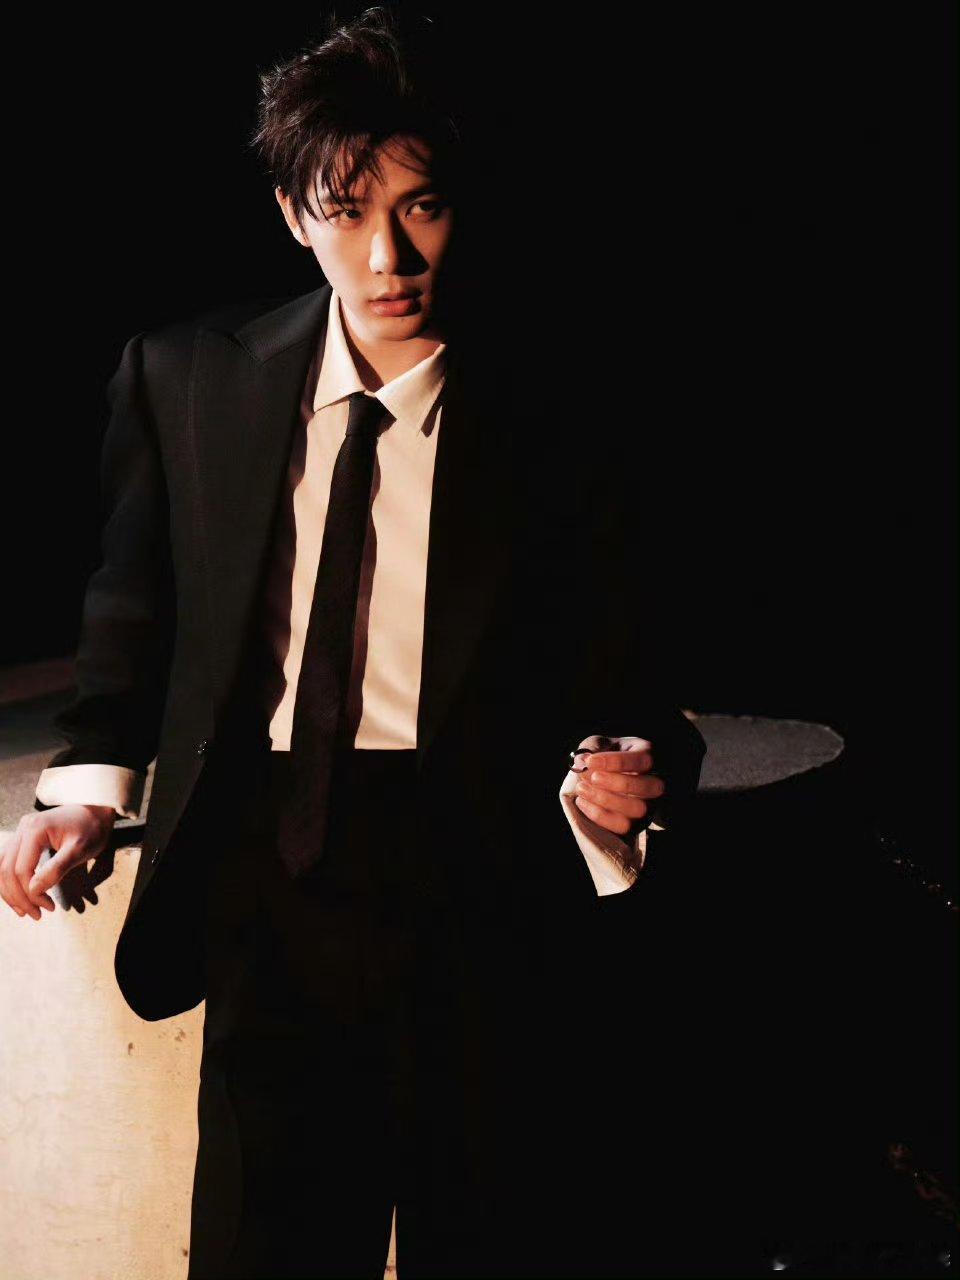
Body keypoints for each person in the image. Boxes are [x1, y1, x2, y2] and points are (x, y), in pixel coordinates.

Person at [0, 8, 713, 1277]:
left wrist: (627, 767)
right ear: (292, 214)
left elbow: (634, 659)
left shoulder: (562, 409)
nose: (390, 256)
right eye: (346, 211)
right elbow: (137, 608)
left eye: (423, 206)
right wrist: (89, 790)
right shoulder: (189, 373)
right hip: (266, 870)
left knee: (489, 1238)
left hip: (482, 873)